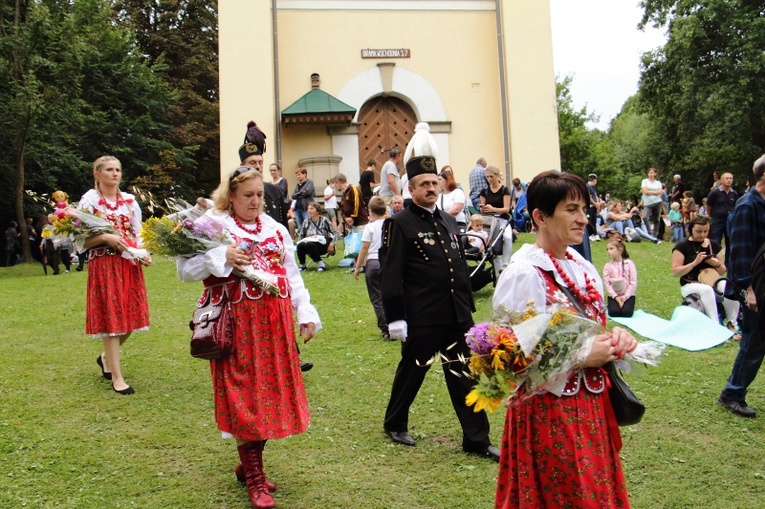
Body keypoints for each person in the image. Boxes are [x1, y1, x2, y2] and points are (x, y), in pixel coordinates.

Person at [492, 170, 637, 508]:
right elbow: (508, 354)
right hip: (548, 410)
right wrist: (581, 356)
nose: (583, 219)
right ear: (540, 216)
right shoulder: (525, 272)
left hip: (591, 405)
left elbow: (595, 327)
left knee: (592, 491)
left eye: (584, 209)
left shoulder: (582, 266)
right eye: (571, 209)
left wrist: (617, 339)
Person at [177, 165, 320, 509]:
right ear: (230, 196)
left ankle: (248, 462)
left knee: (268, 394)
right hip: (235, 325)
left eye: (260, 195)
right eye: (248, 196)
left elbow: (291, 273)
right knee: (243, 395)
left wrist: (306, 311)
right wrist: (220, 255)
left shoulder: (273, 228)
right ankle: (255, 478)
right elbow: (185, 270)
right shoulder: (212, 224)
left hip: (273, 325)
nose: (256, 202)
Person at [379, 154, 498, 460]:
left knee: (464, 375)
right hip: (423, 315)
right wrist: (396, 319)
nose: (431, 188)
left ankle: (477, 440)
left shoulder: (447, 219)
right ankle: (395, 422)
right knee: (413, 371)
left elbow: (455, 265)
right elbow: (391, 274)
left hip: (456, 314)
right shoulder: (399, 223)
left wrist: (467, 305)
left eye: (434, 183)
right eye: (424, 184)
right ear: (412, 188)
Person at [78, 155, 151, 396]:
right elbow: (80, 241)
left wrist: (143, 252)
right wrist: (105, 238)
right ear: (97, 174)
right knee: (112, 320)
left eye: (118, 169)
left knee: (132, 318)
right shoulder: (89, 203)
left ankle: (105, 357)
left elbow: (138, 231)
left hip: (129, 263)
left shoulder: (129, 201)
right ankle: (117, 378)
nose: (115, 173)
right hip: (105, 264)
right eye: (109, 169)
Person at [718, 155, 765, 418]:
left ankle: (733, 392)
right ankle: (732, 394)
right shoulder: (748, 206)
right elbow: (740, 253)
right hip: (756, 288)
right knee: (754, 342)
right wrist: (750, 291)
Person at [671, 216, 739, 337]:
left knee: (730, 286)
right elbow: (676, 272)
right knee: (706, 289)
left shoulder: (713, 245)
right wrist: (694, 263)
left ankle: (731, 324)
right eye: (698, 231)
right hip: (690, 285)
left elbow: (722, 271)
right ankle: (716, 327)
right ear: (691, 229)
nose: (702, 234)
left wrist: (716, 263)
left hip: (713, 283)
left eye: (705, 231)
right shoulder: (682, 247)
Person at [353, 196, 389, 339]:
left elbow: (364, 247)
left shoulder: (370, 227)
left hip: (373, 262)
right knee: (390, 295)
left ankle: (385, 328)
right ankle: (395, 323)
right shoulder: (390, 224)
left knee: (376, 297)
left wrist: (357, 267)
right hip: (388, 262)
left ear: (370, 212)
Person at [479, 165, 514, 268]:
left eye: (491, 176)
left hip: (503, 219)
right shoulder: (484, 191)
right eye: (487, 177)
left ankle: (506, 263)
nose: (489, 179)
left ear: (498, 175)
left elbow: (506, 209)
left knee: (507, 237)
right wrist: (483, 208)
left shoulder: (504, 190)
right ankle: (498, 272)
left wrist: (493, 209)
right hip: (489, 220)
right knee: (491, 244)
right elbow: (483, 207)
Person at [706, 172, 738, 261]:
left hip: (730, 221)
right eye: (726, 178)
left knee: (730, 242)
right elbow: (708, 206)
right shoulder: (715, 193)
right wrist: (711, 216)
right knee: (716, 241)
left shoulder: (734, 193)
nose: (729, 180)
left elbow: (735, 206)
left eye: (730, 178)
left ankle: (728, 263)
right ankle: (716, 261)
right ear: (721, 180)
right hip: (717, 220)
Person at [296, 202, 337, 272]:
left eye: (312, 209)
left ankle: (321, 264)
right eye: (308, 209)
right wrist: (301, 241)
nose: (309, 210)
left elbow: (335, 233)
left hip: (322, 244)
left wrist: (332, 244)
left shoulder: (324, 220)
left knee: (309, 245)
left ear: (317, 211)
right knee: (300, 245)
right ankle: (302, 265)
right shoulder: (306, 221)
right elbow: (302, 235)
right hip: (309, 242)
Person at [603, 239, 637, 317]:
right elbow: (606, 283)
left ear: (620, 249)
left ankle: (625, 303)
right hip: (614, 295)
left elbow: (633, 282)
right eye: (607, 249)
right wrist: (615, 297)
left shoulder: (629, 264)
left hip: (628, 295)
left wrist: (625, 297)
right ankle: (615, 303)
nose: (608, 251)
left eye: (611, 249)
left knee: (626, 313)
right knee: (613, 312)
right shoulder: (607, 266)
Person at [436, 166, 467, 231]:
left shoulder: (458, 192)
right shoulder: (440, 196)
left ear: (447, 180)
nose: (438, 182)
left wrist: (441, 216)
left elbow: (457, 209)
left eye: (440, 179)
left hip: (457, 224)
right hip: (445, 225)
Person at [290, 167, 315, 233]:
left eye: (299, 174)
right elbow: (293, 196)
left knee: (308, 226)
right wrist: (301, 192)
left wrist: (297, 194)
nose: (297, 176)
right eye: (296, 175)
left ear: (305, 174)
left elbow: (307, 192)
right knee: (300, 227)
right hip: (297, 209)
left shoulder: (309, 183)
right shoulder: (298, 185)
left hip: (306, 208)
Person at [641, 167, 663, 237]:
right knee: (645, 217)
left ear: (655, 174)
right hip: (648, 203)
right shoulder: (645, 181)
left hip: (657, 202)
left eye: (652, 172)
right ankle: (649, 232)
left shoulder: (658, 183)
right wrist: (655, 192)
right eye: (649, 172)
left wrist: (650, 192)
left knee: (656, 219)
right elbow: (645, 191)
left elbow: (660, 192)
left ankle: (655, 234)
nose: (650, 174)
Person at [586, 173, 601, 239]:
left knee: (594, 220)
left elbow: (595, 195)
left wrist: (597, 204)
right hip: (590, 206)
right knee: (589, 219)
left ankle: (594, 234)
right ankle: (590, 234)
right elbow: (588, 197)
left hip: (594, 206)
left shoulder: (593, 188)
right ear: (594, 180)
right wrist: (595, 203)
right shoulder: (587, 186)